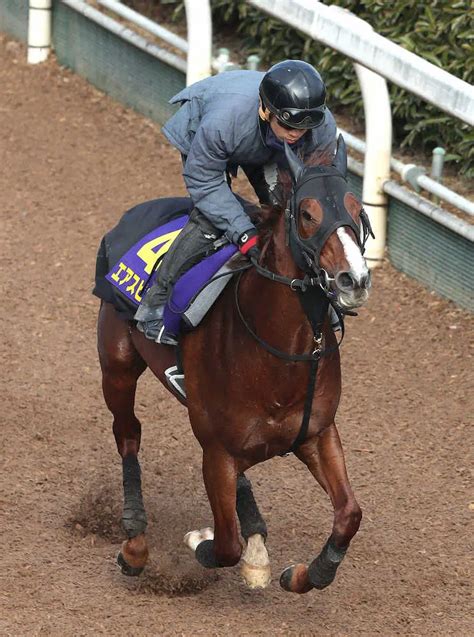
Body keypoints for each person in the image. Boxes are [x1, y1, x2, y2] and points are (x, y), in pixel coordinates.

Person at [135, 59, 338, 345]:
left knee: (288, 213)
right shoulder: (222, 122)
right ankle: (155, 303)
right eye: (289, 124)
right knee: (211, 219)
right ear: (266, 110)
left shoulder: (320, 125)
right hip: (215, 133)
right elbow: (204, 181)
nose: (297, 134)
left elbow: (317, 191)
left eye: (305, 128)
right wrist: (244, 233)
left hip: (264, 144)